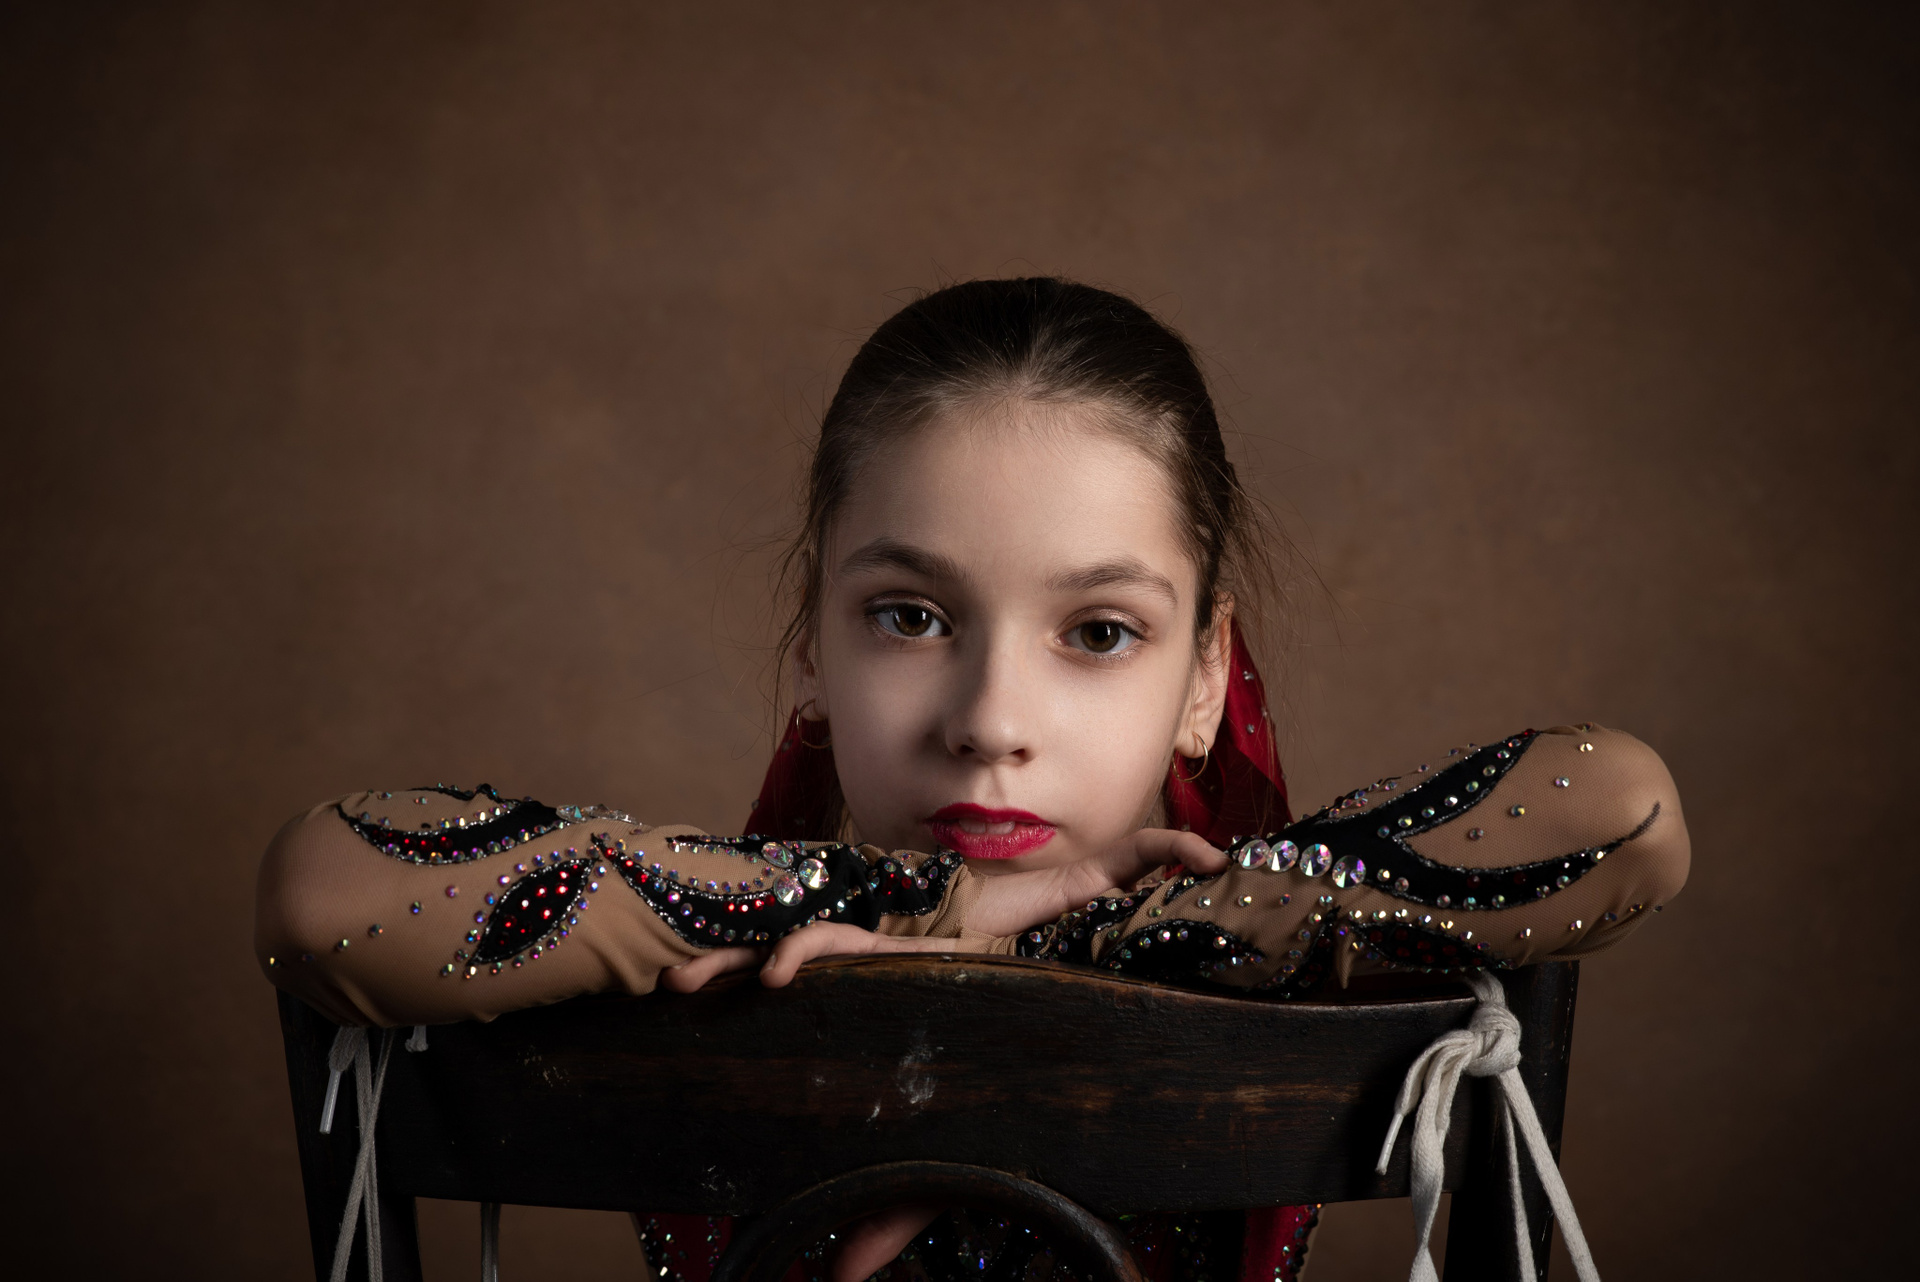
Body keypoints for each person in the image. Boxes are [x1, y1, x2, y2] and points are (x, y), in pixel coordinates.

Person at [257, 278, 1689, 1282]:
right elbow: (326, 898)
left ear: (1205, 675)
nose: (992, 720)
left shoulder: (1249, 947)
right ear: (812, 649)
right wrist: (909, 913)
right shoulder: (732, 967)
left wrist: (1075, 953)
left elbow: (1618, 810)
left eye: (1100, 632)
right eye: (911, 616)